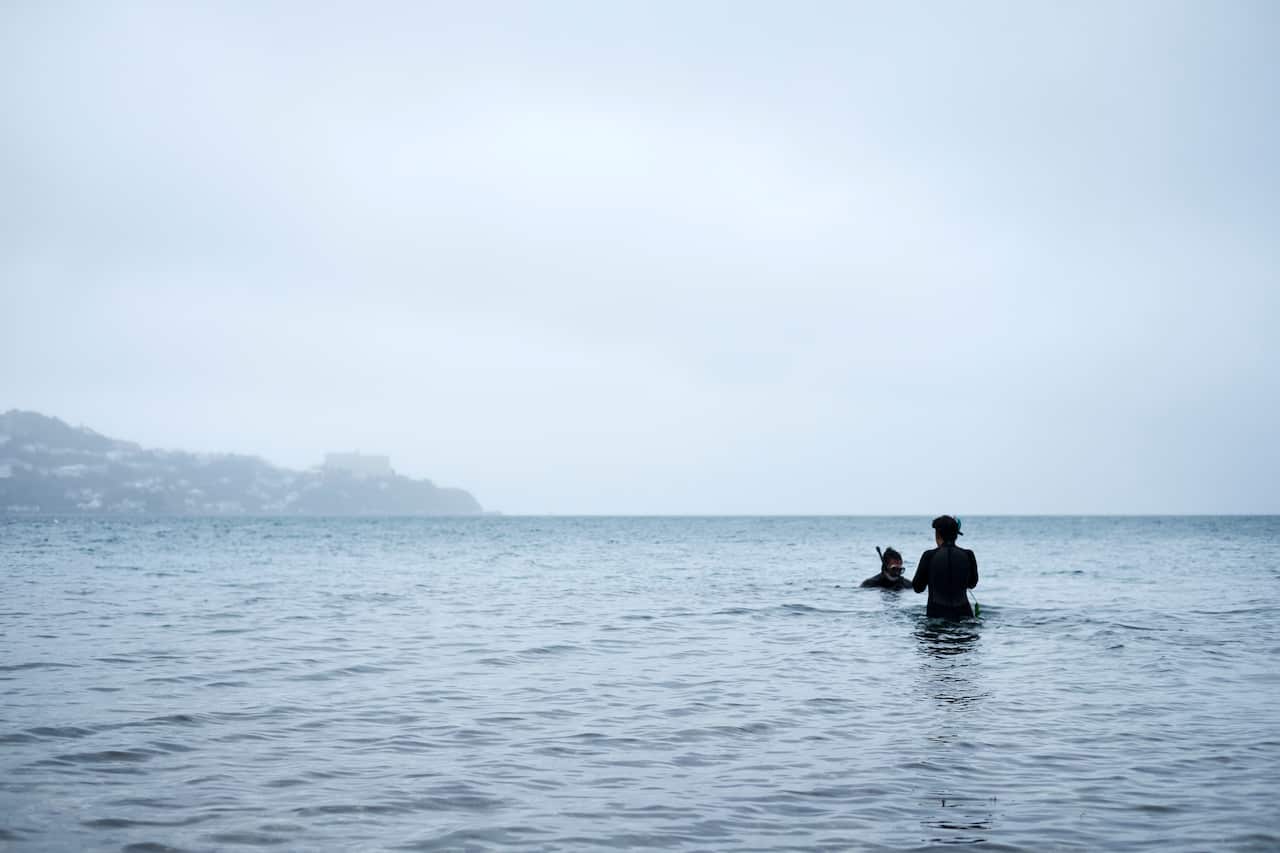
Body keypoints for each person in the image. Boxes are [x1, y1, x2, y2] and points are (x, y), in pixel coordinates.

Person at [911, 515, 979, 618]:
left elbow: (918, 587)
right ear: (956, 535)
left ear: (938, 534)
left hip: (937, 614)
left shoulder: (929, 555)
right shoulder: (968, 555)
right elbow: (972, 584)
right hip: (964, 614)